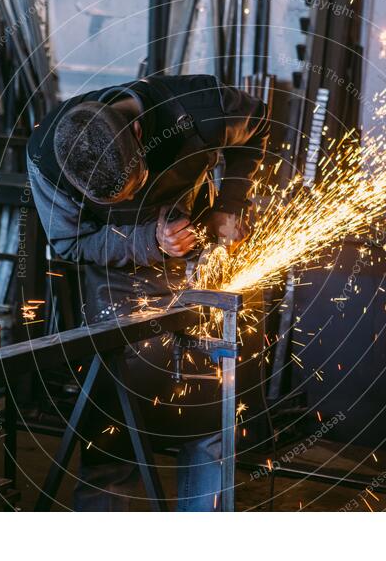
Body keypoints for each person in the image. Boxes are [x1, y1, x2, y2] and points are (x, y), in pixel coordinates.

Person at [26, 74, 270, 511]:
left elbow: (259, 126)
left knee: (209, 416)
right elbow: (69, 242)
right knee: (113, 424)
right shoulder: (48, 155)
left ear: (137, 132)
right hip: (118, 280)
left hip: (198, 270)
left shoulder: (201, 106)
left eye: (132, 186)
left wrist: (230, 204)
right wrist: (148, 241)